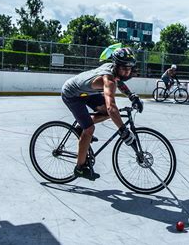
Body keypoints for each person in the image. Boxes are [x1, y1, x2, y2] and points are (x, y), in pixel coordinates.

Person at [61, 47, 143, 180]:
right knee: (90, 129)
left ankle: (80, 127)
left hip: (86, 92)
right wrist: (123, 130)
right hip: (72, 93)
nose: (127, 72)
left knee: (105, 112)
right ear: (116, 66)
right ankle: (80, 168)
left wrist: (131, 96)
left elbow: (119, 82)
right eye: (124, 68)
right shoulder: (109, 80)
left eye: (130, 68)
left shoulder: (112, 69)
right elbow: (112, 107)